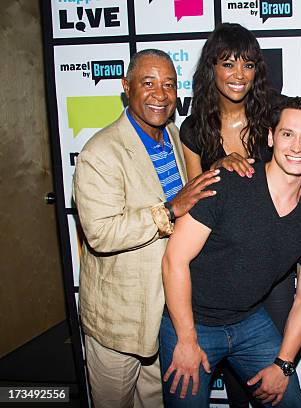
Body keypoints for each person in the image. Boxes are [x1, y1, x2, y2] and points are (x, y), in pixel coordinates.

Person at [159, 97, 301, 408]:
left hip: (249, 323)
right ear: (270, 137)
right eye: (287, 134)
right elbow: (175, 259)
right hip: (190, 321)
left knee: (290, 402)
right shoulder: (228, 183)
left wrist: (284, 364)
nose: (296, 146)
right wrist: (186, 340)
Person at [72, 49, 218, 408]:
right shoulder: (101, 152)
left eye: (169, 85)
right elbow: (101, 234)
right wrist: (170, 209)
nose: (160, 94)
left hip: (165, 315)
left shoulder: (171, 135)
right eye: (148, 83)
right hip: (119, 322)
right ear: (126, 87)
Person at [179, 22, 295, 407]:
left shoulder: (275, 113)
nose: (238, 75)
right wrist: (218, 170)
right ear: (211, 68)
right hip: (223, 268)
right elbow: (196, 199)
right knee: (236, 385)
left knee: (270, 378)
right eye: (228, 64)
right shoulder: (195, 129)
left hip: (274, 266)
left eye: (247, 64)